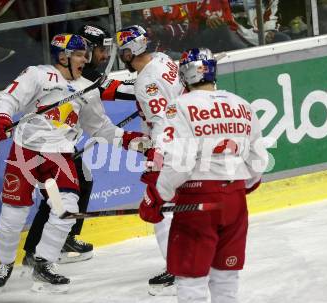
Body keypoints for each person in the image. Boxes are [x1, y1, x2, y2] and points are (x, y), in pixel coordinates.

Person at [0, 33, 147, 292]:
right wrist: (2, 118)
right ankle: (4, 263)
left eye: (85, 54)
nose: (85, 59)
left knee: (66, 209)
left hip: (59, 157)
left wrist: (134, 141)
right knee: (12, 216)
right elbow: (9, 98)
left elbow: (101, 129)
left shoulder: (87, 89)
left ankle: (44, 262)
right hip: (25, 153)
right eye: (80, 55)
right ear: (63, 56)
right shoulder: (38, 75)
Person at [137, 47, 268, 303]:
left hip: (197, 202)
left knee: (191, 279)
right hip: (235, 201)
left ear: (185, 75)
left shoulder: (178, 106)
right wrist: (243, 184)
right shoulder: (241, 104)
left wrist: (156, 195)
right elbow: (258, 161)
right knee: (226, 278)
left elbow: (180, 163)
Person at [22, 24, 138, 268]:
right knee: (60, 194)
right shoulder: (76, 75)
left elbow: (103, 105)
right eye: (100, 50)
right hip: (45, 147)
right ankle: (37, 249)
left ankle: (56, 240)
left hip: (59, 145)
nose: (105, 56)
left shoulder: (84, 72)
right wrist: (149, 90)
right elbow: (113, 90)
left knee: (78, 183)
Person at [115, 24, 185, 295]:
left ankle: (177, 267)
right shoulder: (164, 59)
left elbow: (160, 121)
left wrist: (155, 150)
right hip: (189, 141)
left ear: (131, 51)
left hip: (171, 148)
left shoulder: (145, 82)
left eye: (123, 52)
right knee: (181, 207)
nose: (121, 57)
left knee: (159, 211)